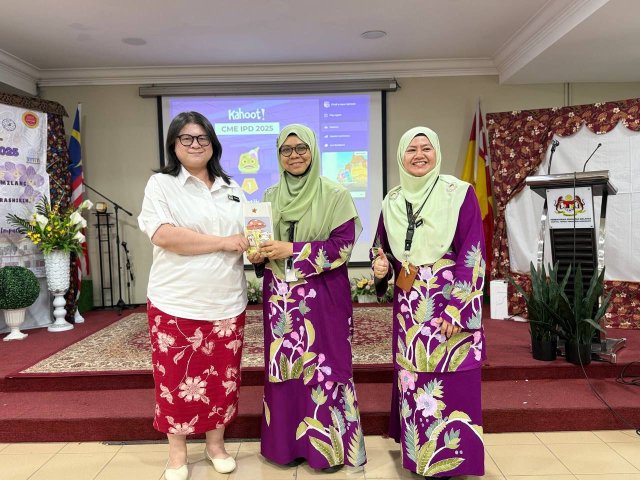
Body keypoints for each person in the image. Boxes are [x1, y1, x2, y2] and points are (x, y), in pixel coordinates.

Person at [247, 124, 367, 472]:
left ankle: (327, 451)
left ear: (313, 151)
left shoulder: (335, 194)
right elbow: (264, 245)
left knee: (325, 367)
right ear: (278, 155)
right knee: (285, 369)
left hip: (323, 296)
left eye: (301, 148)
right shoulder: (270, 196)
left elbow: (342, 247)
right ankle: (286, 448)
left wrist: (292, 249)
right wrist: (258, 255)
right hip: (281, 299)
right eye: (286, 150)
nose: (294, 155)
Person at [138, 111, 249, 480]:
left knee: (220, 380)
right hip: (176, 301)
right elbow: (164, 235)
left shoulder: (232, 187)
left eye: (202, 138)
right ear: (174, 145)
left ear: (213, 144)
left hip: (227, 302)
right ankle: (177, 453)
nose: (196, 144)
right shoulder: (161, 184)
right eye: (187, 138)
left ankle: (216, 445)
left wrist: (258, 247)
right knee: (175, 381)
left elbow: (249, 236)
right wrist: (223, 242)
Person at [371, 126, 486, 479]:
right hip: (410, 310)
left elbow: (472, 252)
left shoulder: (458, 193)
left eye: (426, 148)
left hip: (448, 305)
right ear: (401, 157)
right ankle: (422, 460)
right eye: (411, 149)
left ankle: (454, 461)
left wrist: (457, 308)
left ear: (436, 152)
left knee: (452, 380)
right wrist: (380, 266)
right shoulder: (392, 201)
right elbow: (381, 248)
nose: (419, 155)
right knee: (415, 379)